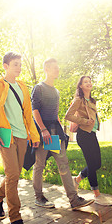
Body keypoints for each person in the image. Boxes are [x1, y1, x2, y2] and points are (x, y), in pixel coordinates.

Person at [0, 52, 40, 224]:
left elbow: (28, 115)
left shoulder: (23, 87)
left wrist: (33, 136)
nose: (18, 67)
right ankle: (15, 220)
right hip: (6, 135)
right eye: (15, 64)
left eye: (20, 64)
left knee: (15, 174)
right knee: (12, 176)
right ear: (5, 66)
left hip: (22, 136)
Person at [31, 58, 94, 210]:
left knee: (63, 163)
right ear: (46, 69)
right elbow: (35, 111)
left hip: (54, 132)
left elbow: (55, 113)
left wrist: (59, 129)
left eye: (58, 68)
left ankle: (73, 199)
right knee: (40, 164)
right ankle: (39, 197)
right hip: (43, 131)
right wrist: (43, 130)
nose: (57, 70)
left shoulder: (56, 91)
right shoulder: (38, 88)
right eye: (54, 68)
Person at [65, 76, 112, 206]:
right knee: (92, 164)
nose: (89, 83)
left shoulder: (92, 100)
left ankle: (78, 179)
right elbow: (68, 115)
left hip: (92, 134)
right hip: (83, 135)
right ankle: (97, 195)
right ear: (80, 86)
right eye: (85, 82)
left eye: (90, 81)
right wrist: (85, 121)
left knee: (97, 164)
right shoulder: (78, 100)